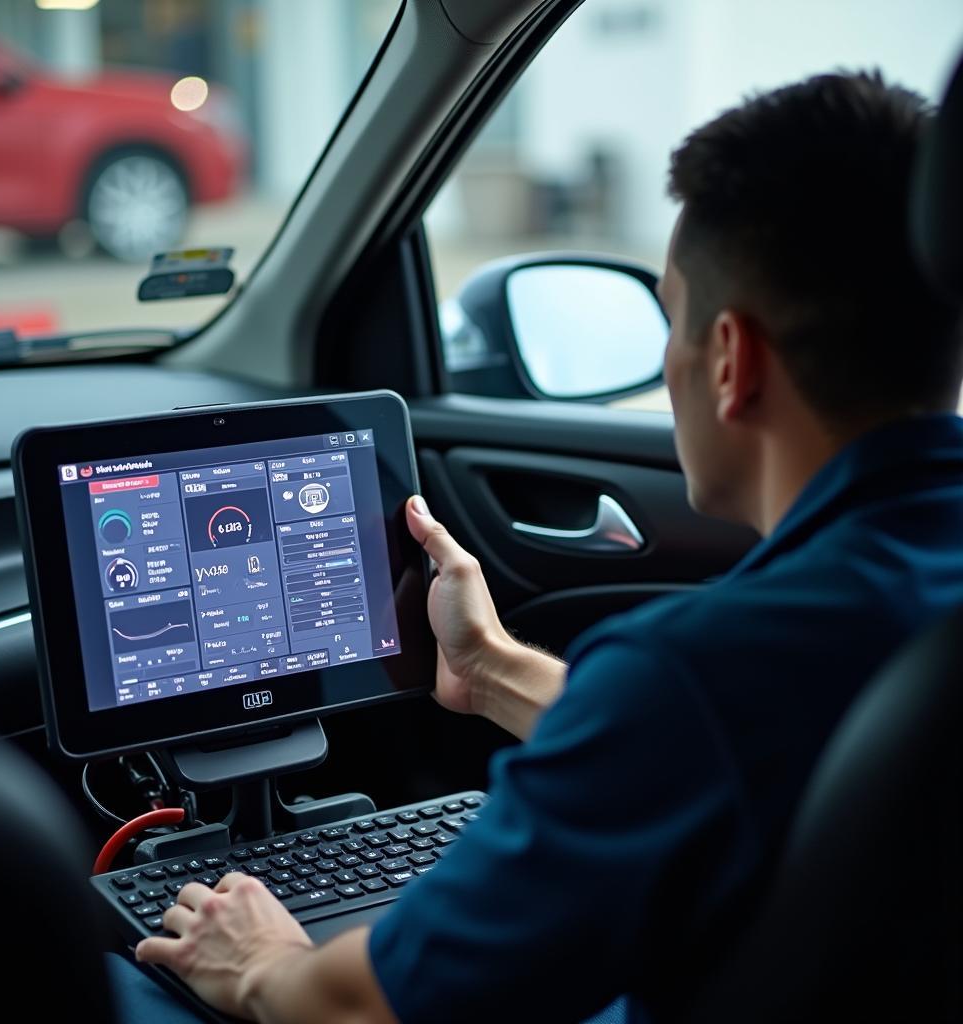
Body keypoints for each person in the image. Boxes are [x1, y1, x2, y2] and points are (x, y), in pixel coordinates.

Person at [123, 71, 963, 1024]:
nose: (669, 362)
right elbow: (745, 736)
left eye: (671, 322)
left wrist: (262, 962)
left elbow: (368, 1009)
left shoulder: (699, 672)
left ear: (730, 360)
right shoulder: (859, 621)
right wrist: (487, 671)